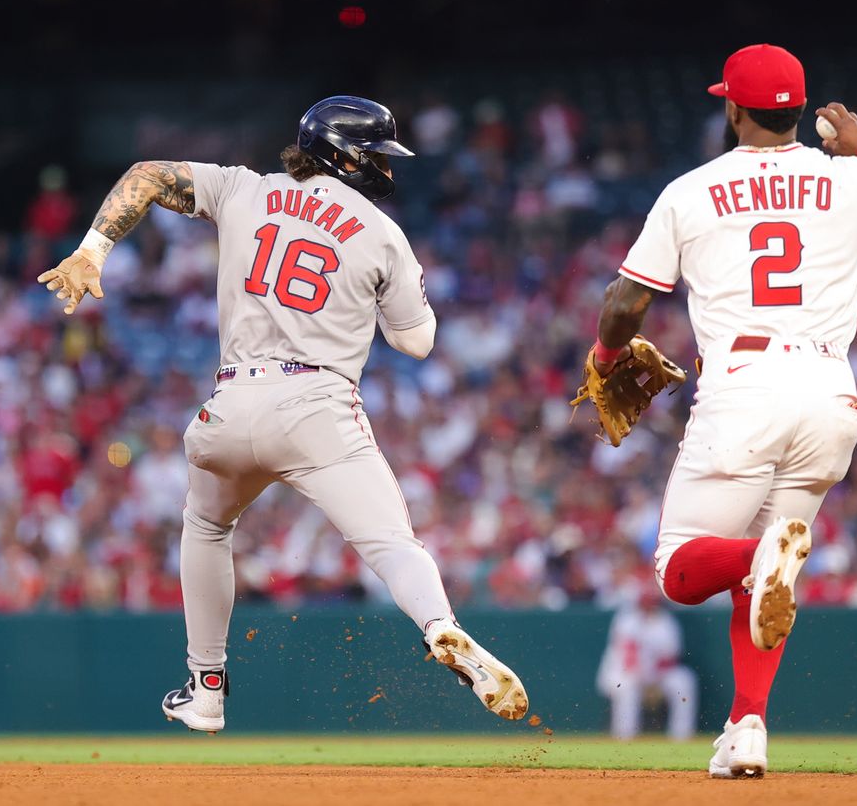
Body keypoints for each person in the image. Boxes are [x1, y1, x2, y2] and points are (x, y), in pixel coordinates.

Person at [37, 96, 528, 732]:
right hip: (317, 407)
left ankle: (206, 688)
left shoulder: (245, 190)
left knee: (207, 528)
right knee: (389, 544)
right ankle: (441, 627)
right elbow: (418, 342)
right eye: (377, 155)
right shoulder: (382, 233)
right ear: (349, 157)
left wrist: (93, 251)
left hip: (231, 402)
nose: (386, 168)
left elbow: (147, 175)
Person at [585, 44, 857, 777]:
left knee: (678, 569)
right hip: (829, 393)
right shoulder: (850, 178)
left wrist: (604, 359)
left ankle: (758, 559)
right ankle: (747, 727)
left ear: (732, 108)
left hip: (744, 387)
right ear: (799, 109)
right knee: (766, 585)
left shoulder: (693, 189)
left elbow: (626, 302)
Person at [596, 587, 698, 740]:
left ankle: (681, 736)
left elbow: (672, 656)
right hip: (621, 673)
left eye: (652, 602)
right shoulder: (626, 620)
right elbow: (629, 659)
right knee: (627, 686)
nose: (649, 605)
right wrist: (645, 677)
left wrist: (653, 680)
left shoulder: (665, 621)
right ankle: (624, 737)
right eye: (645, 602)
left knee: (683, 680)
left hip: (656, 675)